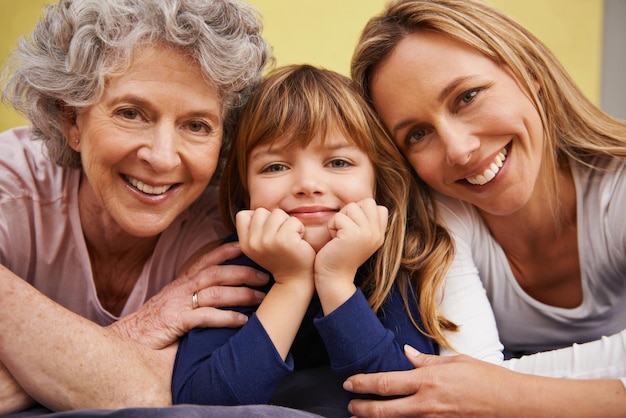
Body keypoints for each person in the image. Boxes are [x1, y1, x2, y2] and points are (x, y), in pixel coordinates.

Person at [0, 0, 327, 416]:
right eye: (131, 113)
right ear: (72, 121)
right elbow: (110, 382)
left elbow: (153, 391)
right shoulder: (9, 189)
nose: (162, 158)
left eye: (196, 126)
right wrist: (142, 327)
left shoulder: (220, 233)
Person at [343, 0, 626, 416]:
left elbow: (473, 389)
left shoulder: (616, 186)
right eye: (418, 134)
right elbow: (466, 385)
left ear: (530, 75)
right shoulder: (441, 211)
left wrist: (507, 393)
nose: (459, 150)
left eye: (467, 97)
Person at [170, 64, 506, 413]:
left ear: (378, 182)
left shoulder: (396, 258)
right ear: (245, 194)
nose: (308, 184)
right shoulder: (233, 272)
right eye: (275, 167)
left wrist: (335, 280)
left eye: (339, 162)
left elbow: (404, 397)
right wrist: (292, 284)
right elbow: (201, 403)